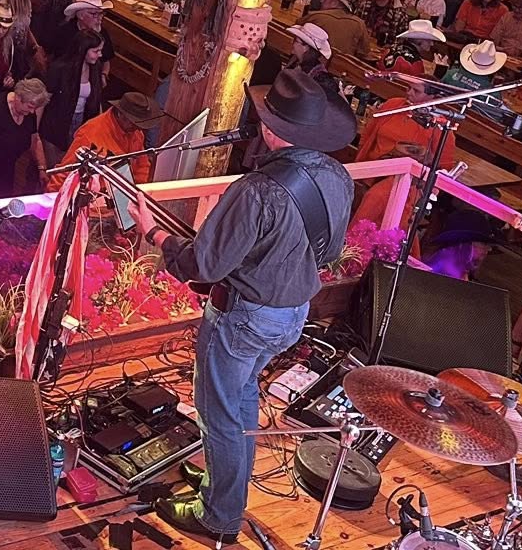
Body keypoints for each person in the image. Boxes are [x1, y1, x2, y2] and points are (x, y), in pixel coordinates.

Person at [128, 70, 355, 540]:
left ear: (271, 129)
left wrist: (154, 233)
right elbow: (329, 251)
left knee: (220, 413)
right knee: (243, 397)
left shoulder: (257, 189)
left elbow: (204, 265)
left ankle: (219, 516)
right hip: (293, 314)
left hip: (245, 317)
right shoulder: (337, 176)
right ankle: (224, 484)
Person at [0, 78, 54, 198]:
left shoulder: (29, 114)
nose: (32, 111)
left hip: (8, 169)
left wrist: (42, 168)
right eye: (30, 106)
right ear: (18, 97)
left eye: (35, 108)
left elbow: (35, 139)